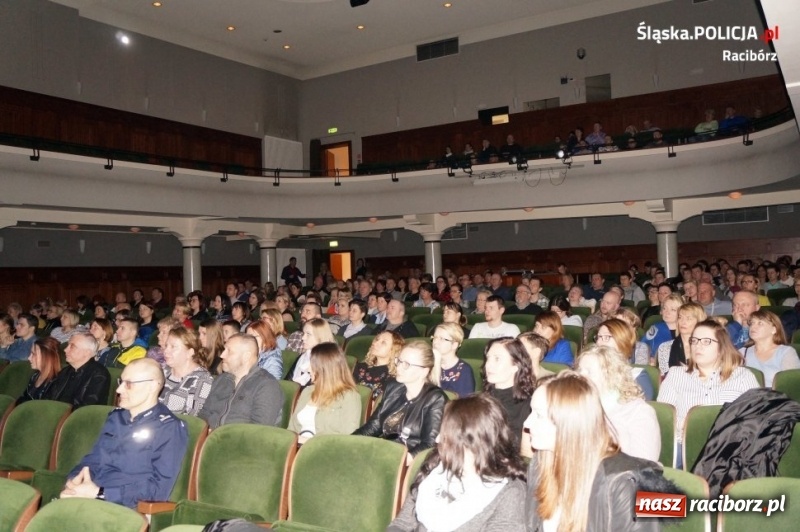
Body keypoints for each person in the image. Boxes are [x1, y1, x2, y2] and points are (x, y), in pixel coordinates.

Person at [525, 371, 673, 532]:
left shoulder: (629, 483)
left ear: (569, 423)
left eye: (538, 415)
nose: (527, 423)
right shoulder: (541, 464)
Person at [61, 358, 188, 509]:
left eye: (129, 384)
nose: (119, 390)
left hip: (126, 507)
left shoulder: (168, 427)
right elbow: (94, 459)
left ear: (152, 386)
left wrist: (101, 493)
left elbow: (159, 489)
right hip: (91, 499)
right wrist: (75, 480)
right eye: (120, 382)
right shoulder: (116, 417)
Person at [388, 394, 528, 532]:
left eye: (446, 436)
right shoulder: (435, 465)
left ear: (472, 443)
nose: (437, 440)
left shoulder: (509, 494)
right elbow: (402, 523)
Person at [658, 320, 760, 460]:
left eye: (706, 341)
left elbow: (756, 419)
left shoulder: (743, 377)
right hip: (684, 448)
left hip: (730, 451)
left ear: (721, 347)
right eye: (694, 340)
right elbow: (665, 419)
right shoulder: (676, 374)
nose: (698, 346)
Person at [354, 340, 447, 459]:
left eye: (407, 364)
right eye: (399, 361)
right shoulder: (393, 387)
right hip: (383, 452)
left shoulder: (435, 399)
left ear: (424, 371)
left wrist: (400, 461)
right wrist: (349, 441)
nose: (399, 368)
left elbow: (429, 444)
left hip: (408, 462)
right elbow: (374, 425)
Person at [576, 345, 661, 462]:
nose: (580, 376)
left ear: (611, 375)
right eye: (580, 370)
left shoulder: (639, 412)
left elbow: (644, 468)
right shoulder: (576, 407)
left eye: (589, 372)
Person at [199, 333, 283, 429]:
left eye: (229, 351)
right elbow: (203, 413)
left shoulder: (267, 385)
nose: (222, 355)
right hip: (210, 439)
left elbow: (259, 429)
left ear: (246, 356)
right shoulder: (221, 380)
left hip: (239, 441)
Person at [288, 342, 361, 444]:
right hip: (297, 448)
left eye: (312, 364)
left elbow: (348, 439)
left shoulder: (349, 396)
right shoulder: (307, 391)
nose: (308, 369)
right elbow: (292, 429)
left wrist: (307, 441)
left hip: (326, 453)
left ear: (325, 368)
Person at [483, 337, 534, 449]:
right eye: (488, 358)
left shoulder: (529, 406)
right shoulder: (481, 399)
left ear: (515, 366)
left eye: (497, 359)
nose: (488, 365)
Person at [45, 332, 111, 408]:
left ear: (87, 352)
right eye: (68, 345)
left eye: (72, 346)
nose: (65, 350)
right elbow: (49, 398)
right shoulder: (65, 371)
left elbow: (88, 408)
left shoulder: (99, 374)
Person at [594, 319, 655, 400]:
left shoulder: (637, 376)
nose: (599, 342)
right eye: (599, 337)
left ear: (622, 342)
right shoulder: (589, 370)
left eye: (606, 337)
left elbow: (640, 410)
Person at [160, 327, 214, 416]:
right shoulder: (163, 371)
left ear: (190, 352)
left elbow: (192, 417)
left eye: (173, 347)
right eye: (166, 346)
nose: (166, 351)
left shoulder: (202, 379)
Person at [741, 309, 800, 387]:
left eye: (760, 323)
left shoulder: (786, 352)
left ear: (774, 329)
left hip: (774, 397)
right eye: (752, 323)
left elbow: (790, 386)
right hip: (748, 397)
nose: (753, 327)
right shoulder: (743, 352)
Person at [656, 302, 707, 375]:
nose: (683, 322)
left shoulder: (708, 347)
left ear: (699, 322)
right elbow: (664, 377)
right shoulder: (665, 347)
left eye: (688, 318)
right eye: (680, 317)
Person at [352, 330, 401, 400]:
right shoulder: (360, 367)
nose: (375, 343)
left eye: (383, 342)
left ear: (393, 350)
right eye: (377, 339)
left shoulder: (393, 377)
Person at [432, 323, 475, 397]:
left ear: (454, 345)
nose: (435, 342)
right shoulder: (427, 364)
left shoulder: (464, 370)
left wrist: (437, 363)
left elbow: (463, 403)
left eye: (442, 339)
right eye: (435, 338)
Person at [17, 336, 61, 404]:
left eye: (34, 354)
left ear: (46, 357)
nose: (29, 358)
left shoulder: (56, 383)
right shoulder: (35, 376)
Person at [642, 293, 682, 361]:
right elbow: (642, 347)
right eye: (664, 308)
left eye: (673, 309)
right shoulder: (655, 329)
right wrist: (649, 358)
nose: (667, 312)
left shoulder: (686, 331)